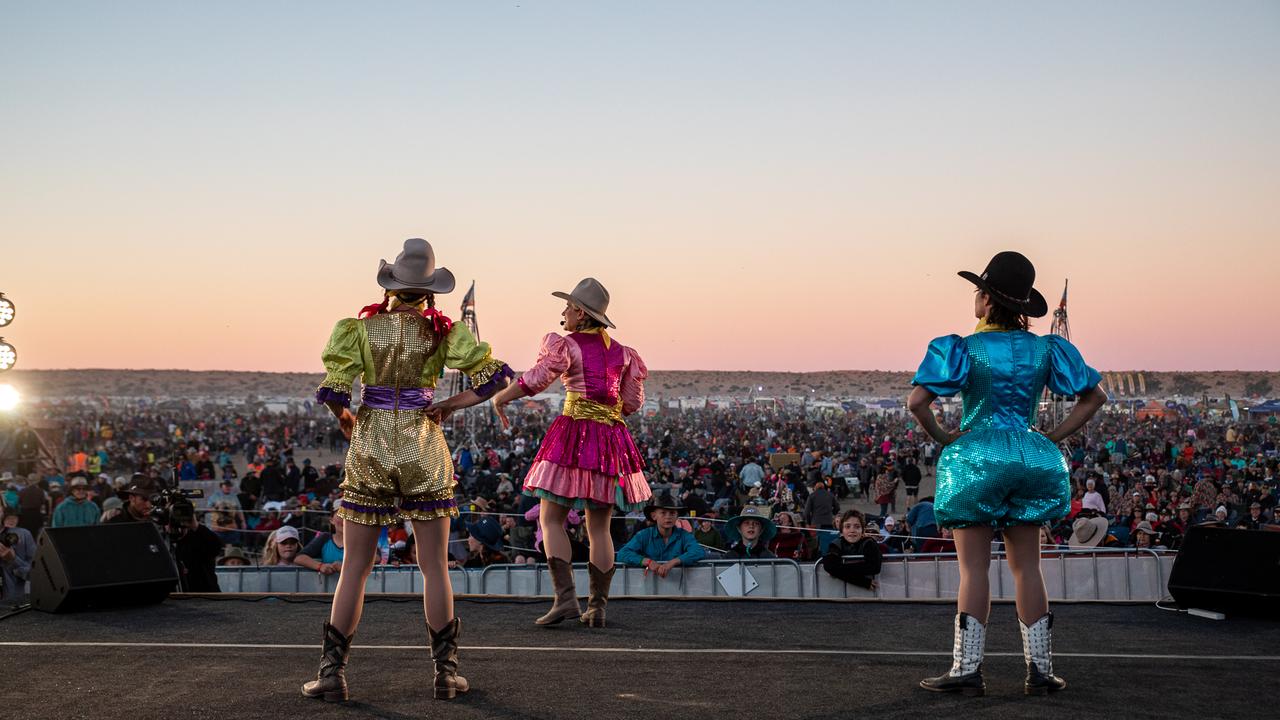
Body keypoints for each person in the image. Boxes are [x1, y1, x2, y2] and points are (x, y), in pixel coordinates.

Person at [302, 239, 514, 703]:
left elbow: (336, 395)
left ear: (392, 286)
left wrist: (351, 426)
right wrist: (446, 405)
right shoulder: (444, 333)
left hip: (372, 439)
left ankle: (332, 674)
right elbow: (495, 380)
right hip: (423, 441)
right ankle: (445, 674)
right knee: (434, 565)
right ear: (429, 291)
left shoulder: (357, 330)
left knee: (354, 568)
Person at [909, 251, 1106, 696]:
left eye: (978, 292)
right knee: (1027, 569)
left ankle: (966, 669)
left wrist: (946, 438)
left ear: (988, 301)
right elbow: (1094, 398)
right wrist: (1050, 437)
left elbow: (916, 402)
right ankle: (1040, 671)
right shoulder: (1045, 349)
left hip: (977, 456)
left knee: (973, 571)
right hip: (1033, 457)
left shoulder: (963, 348)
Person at [489, 277, 652, 628]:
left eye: (567, 307)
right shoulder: (624, 353)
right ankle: (598, 607)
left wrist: (502, 397)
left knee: (550, 519)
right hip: (610, 440)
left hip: (573, 434)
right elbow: (632, 403)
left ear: (580, 312)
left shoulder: (565, 345)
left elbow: (537, 379)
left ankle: (565, 601)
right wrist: (604, 413)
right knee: (600, 528)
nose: (563, 312)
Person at [617, 499, 705, 574]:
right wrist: (647, 562)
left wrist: (673, 562)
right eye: (663, 513)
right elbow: (622, 554)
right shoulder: (643, 535)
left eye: (672, 513)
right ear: (654, 516)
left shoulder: (684, 535)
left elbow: (698, 551)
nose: (668, 517)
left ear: (677, 516)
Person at [821, 509, 882, 589]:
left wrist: (838, 570)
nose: (852, 530)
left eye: (857, 527)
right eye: (847, 526)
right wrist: (862, 581)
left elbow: (874, 567)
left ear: (863, 530)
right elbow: (829, 566)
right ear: (841, 531)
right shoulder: (836, 544)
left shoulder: (869, 543)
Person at [1, 505, 37, 604]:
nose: (12, 520)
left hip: (14, 596)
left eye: (15, 517)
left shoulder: (24, 534)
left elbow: (35, 567)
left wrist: (14, 560)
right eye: (8, 518)